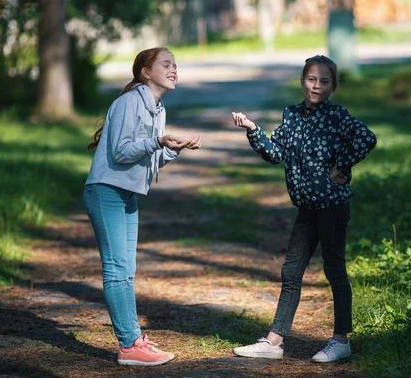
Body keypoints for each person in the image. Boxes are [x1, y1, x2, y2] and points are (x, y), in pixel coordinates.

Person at [231, 55, 376, 362]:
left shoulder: (337, 116)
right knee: (291, 271)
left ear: (333, 86)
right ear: (302, 80)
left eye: (324, 81)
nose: (316, 86)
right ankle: (274, 342)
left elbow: (367, 137)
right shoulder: (292, 115)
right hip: (307, 208)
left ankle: (341, 340)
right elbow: (275, 153)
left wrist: (342, 164)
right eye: (312, 79)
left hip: (333, 206)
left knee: (334, 269)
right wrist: (253, 129)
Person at [83, 47, 202, 366]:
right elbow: (122, 153)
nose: (174, 69)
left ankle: (134, 340)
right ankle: (128, 345)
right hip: (106, 190)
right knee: (116, 270)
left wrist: (174, 149)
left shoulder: (157, 108)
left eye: (176, 64)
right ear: (145, 72)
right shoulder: (127, 103)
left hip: (128, 194)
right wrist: (158, 142)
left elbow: (151, 157)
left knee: (127, 272)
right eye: (166, 64)